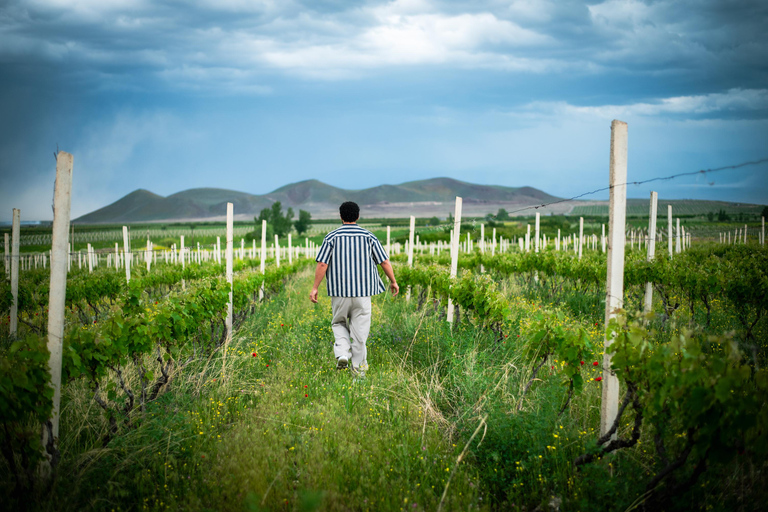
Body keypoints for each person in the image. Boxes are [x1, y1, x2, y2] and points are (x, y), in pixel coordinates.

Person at [309, 201, 399, 378]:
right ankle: (359, 373)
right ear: (357, 216)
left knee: (339, 323)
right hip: (363, 293)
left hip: (339, 292)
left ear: (340, 216)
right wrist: (393, 281)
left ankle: (342, 353)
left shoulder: (331, 237)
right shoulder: (369, 236)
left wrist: (315, 287)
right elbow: (384, 261)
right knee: (360, 332)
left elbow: (322, 263)